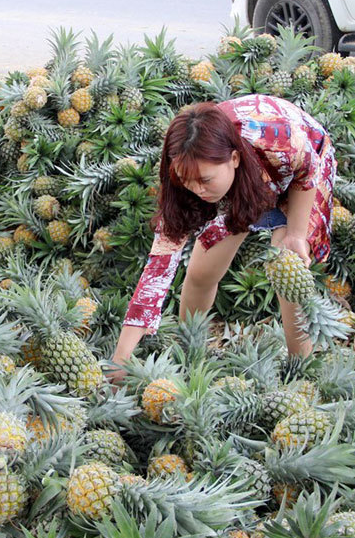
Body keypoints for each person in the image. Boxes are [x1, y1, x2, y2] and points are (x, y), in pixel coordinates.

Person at [108, 95, 336, 383]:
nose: (197, 191)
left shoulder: (281, 142)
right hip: (243, 187)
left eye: (204, 181)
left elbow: (307, 170)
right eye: (186, 181)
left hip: (303, 166)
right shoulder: (187, 171)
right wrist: (121, 357)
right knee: (202, 271)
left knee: (287, 268)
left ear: (234, 159)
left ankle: (301, 370)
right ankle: (189, 352)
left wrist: (296, 234)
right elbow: (157, 272)